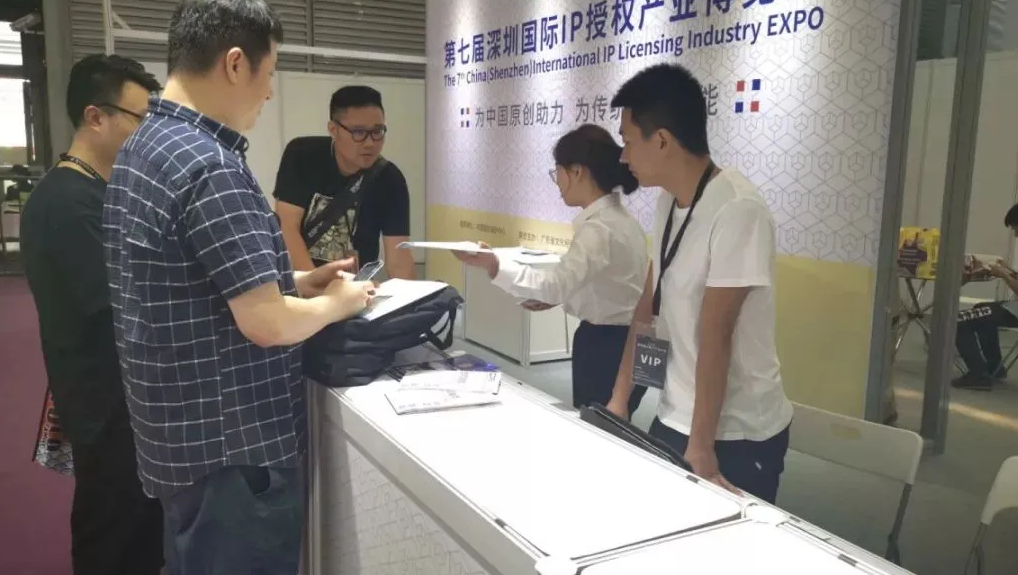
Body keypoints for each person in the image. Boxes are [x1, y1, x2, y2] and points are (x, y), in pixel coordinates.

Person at [103, 0, 375, 575]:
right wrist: (337, 303)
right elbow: (266, 324)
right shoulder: (211, 165)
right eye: (268, 71)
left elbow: (191, 277)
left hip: (176, 432)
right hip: (233, 444)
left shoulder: (143, 149)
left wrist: (294, 280)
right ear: (233, 63)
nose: (268, 90)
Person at [21, 54, 164, 575]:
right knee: (115, 511)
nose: (145, 133)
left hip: (118, 382)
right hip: (101, 386)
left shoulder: (96, 191)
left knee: (135, 509)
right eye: (139, 118)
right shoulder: (65, 200)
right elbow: (109, 304)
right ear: (95, 116)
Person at [605, 63, 793, 503]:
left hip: (735, 431)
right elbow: (647, 306)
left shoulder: (738, 209)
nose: (623, 157)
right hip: (676, 414)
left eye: (628, 141)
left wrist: (702, 446)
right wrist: (619, 399)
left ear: (662, 140)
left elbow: (717, 332)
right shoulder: (667, 203)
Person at [454, 124, 648, 413]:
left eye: (557, 171)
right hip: (623, 342)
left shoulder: (599, 229)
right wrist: (559, 297)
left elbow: (556, 284)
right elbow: (604, 285)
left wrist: (494, 264)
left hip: (606, 347)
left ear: (577, 172)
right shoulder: (620, 221)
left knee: (597, 427)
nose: (556, 181)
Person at [272, 85, 415, 279]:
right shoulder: (303, 155)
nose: (370, 143)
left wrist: (410, 295)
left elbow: (399, 260)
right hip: (299, 283)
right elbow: (287, 227)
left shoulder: (390, 179)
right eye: (358, 132)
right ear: (333, 130)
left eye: (377, 131)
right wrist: (317, 285)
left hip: (354, 288)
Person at [953, 200, 1018, 391]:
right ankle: (994, 368)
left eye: (1016, 229)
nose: (1015, 235)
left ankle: (978, 375)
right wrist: (1008, 270)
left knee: (958, 321)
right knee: (981, 310)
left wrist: (1002, 274)